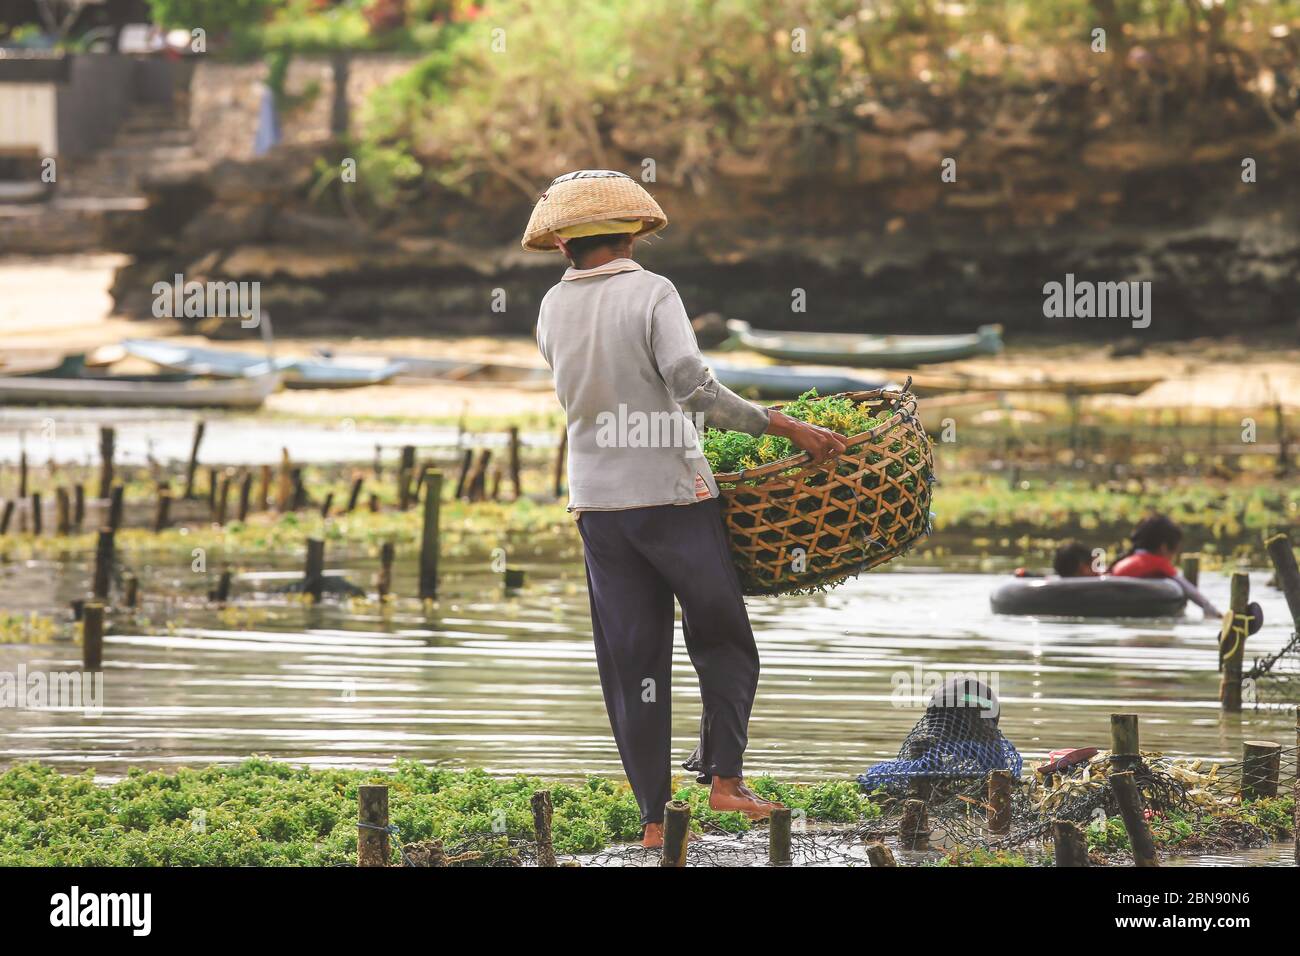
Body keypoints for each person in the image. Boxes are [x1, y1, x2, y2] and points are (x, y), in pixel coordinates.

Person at [525, 170, 848, 848]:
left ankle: (653, 822)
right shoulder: (653, 291)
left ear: (562, 246)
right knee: (724, 638)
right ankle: (725, 784)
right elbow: (693, 387)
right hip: (672, 496)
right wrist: (784, 426)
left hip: (598, 506)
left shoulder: (552, 307)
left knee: (631, 662)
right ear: (635, 232)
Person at [1109, 514, 1221, 617]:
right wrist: (1212, 611)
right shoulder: (1157, 562)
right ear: (1164, 547)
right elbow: (1188, 589)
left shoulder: (1121, 563)